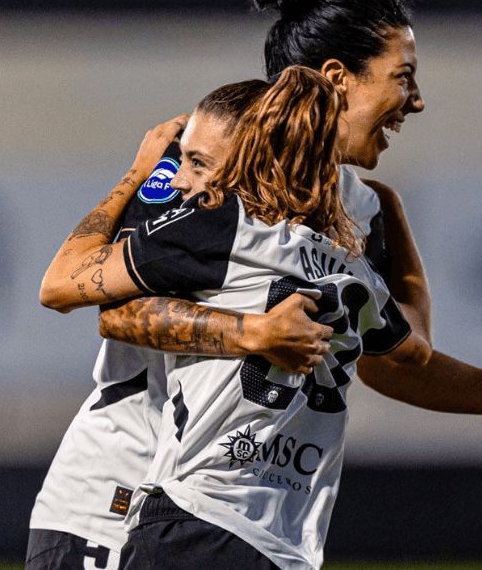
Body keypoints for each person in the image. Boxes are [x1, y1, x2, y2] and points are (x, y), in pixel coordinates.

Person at [42, 65, 418, 569]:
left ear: (249, 160)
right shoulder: (350, 262)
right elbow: (415, 347)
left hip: (210, 519)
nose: (180, 177)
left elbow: (67, 287)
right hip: (147, 495)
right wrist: (254, 333)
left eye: (198, 162)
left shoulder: (221, 220)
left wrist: (138, 171)